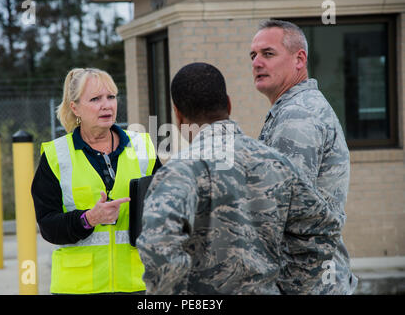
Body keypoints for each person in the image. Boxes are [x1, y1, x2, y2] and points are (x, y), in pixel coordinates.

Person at [136, 62, 343, 295]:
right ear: (229, 104)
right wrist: (290, 287)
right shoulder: (277, 163)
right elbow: (322, 229)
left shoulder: (177, 173)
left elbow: (158, 247)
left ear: (178, 115)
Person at [31, 67, 161, 294]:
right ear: (75, 107)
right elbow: (48, 226)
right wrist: (88, 219)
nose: (107, 105)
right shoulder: (56, 156)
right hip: (77, 288)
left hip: (138, 284)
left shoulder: (143, 147)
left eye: (111, 97)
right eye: (95, 99)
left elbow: (166, 209)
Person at [250, 19, 357, 294]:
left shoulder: (298, 115)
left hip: (306, 283)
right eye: (253, 55)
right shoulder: (292, 108)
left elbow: (283, 211)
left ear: (299, 59)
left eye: (268, 53)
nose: (257, 62)